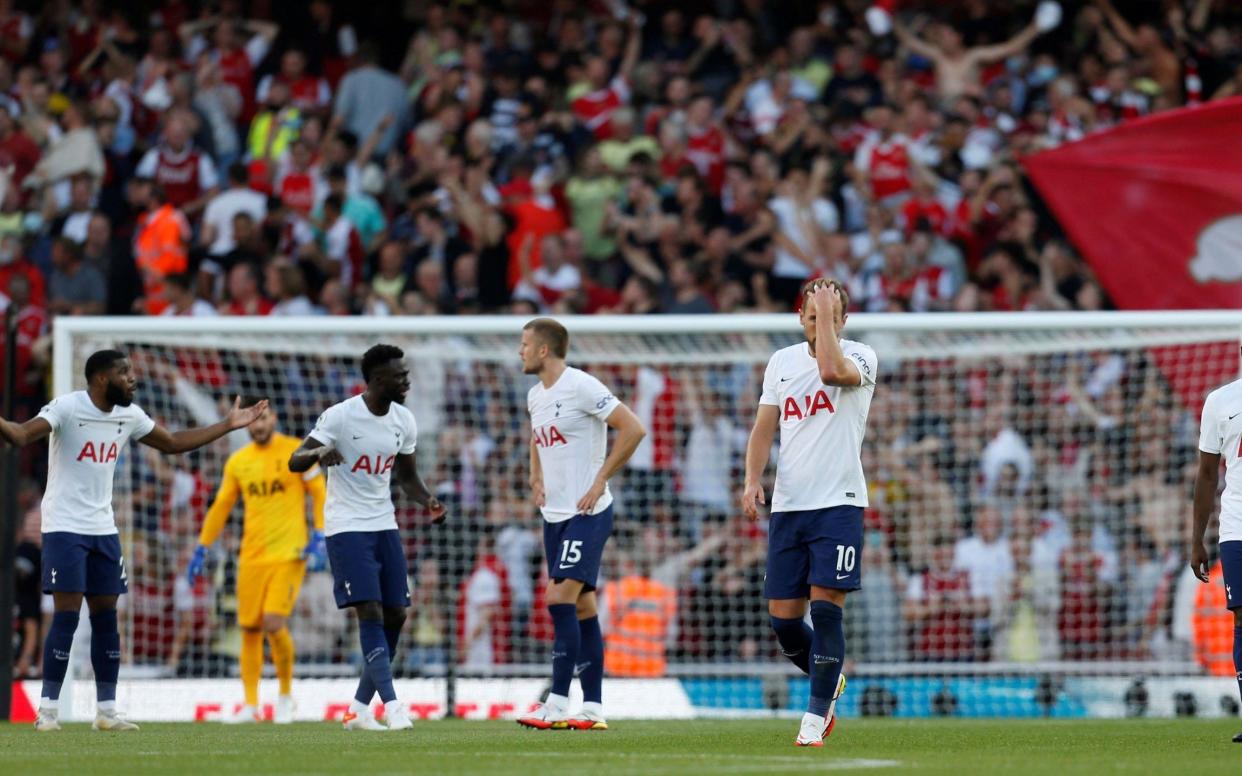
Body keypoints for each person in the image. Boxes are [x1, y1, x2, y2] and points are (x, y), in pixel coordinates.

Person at [0, 349, 268, 732]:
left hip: (104, 528)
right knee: (67, 615)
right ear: (100, 379)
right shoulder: (67, 408)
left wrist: (227, 424)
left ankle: (106, 711)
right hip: (64, 527)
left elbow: (173, 442)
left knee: (107, 617)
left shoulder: (130, 414)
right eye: (124, 372)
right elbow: (21, 434)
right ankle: (48, 711)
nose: (132, 378)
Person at [741, 278, 878, 747]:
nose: (820, 320)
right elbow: (764, 427)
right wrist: (751, 478)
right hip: (789, 506)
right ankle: (830, 677)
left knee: (826, 612)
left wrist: (826, 320)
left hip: (838, 505)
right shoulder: (780, 362)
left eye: (830, 314)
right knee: (783, 620)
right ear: (800, 317)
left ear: (844, 321)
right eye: (813, 314)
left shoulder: (860, 357)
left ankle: (816, 716)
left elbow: (832, 373)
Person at [288, 344, 446, 732]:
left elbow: (406, 476)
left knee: (397, 612)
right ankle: (392, 706)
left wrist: (428, 500)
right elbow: (295, 459)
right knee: (370, 610)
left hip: (383, 524)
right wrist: (321, 451)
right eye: (400, 375)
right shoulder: (341, 416)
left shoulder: (403, 420)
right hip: (346, 527)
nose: (407, 380)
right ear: (378, 380)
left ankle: (358, 709)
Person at [516, 318, 646, 731]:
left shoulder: (582, 386)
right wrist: (536, 475)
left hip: (588, 512)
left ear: (543, 350)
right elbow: (537, 437)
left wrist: (601, 478)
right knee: (583, 605)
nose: (519, 352)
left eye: (524, 345)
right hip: (553, 515)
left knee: (557, 599)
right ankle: (593, 708)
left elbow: (633, 428)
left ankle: (555, 703)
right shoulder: (536, 396)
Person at [186, 398, 326, 724]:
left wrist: (320, 533)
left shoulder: (297, 451)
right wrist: (202, 547)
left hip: (291, 553)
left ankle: (286, 697)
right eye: (253, 422)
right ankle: (251, 705)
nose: (259, 426)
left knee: (273, 623)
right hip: (251, 556)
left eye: (264, 419)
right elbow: (221, 506)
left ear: (274, 418)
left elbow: (319, 491)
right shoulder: (238, 461)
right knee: (249, 628)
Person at [1190, 359, 1242, 742]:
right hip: (1237, 526)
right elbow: (1207, 474)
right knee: (1241, 618)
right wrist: (1197, 538)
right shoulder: (1221, 401)